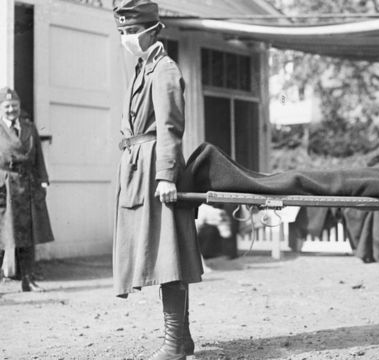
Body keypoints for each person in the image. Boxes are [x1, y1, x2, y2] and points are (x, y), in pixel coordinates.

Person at [112, 1, 203, 359]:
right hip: (138, 170)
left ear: (153, 29)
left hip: (156, 171)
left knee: (168, 258)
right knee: (162, 257)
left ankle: (173, 345)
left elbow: (170, 127)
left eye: (132, 32)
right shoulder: (142, 69)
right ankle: (183, 340)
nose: (127, 38)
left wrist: (166, 176)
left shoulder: (163, 69)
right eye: (122, 32)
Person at [0, 87, 54, 292]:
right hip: (4, 186)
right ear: (0, 108)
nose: (11, 110)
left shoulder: (29, 127)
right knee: (1, 235)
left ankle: (28, 280)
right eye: (7, 106)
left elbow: (38, 157)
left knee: (27, 235)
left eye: (14, 106)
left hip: (27, 185)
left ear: (19, 106)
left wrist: (43, 180)